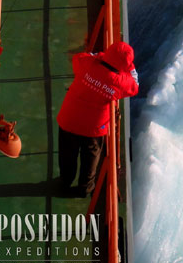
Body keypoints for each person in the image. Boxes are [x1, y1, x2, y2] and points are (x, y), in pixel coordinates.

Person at [57, 41, 139, 197]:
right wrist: (129, 67)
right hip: (93, 129)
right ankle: (84, 189)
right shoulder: (120, 83)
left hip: (69, 119)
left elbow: (78, 58)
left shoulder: (87, 64)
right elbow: (135, 85)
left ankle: (65, 182)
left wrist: (101, 56)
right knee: (90, 160)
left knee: (67, 155)